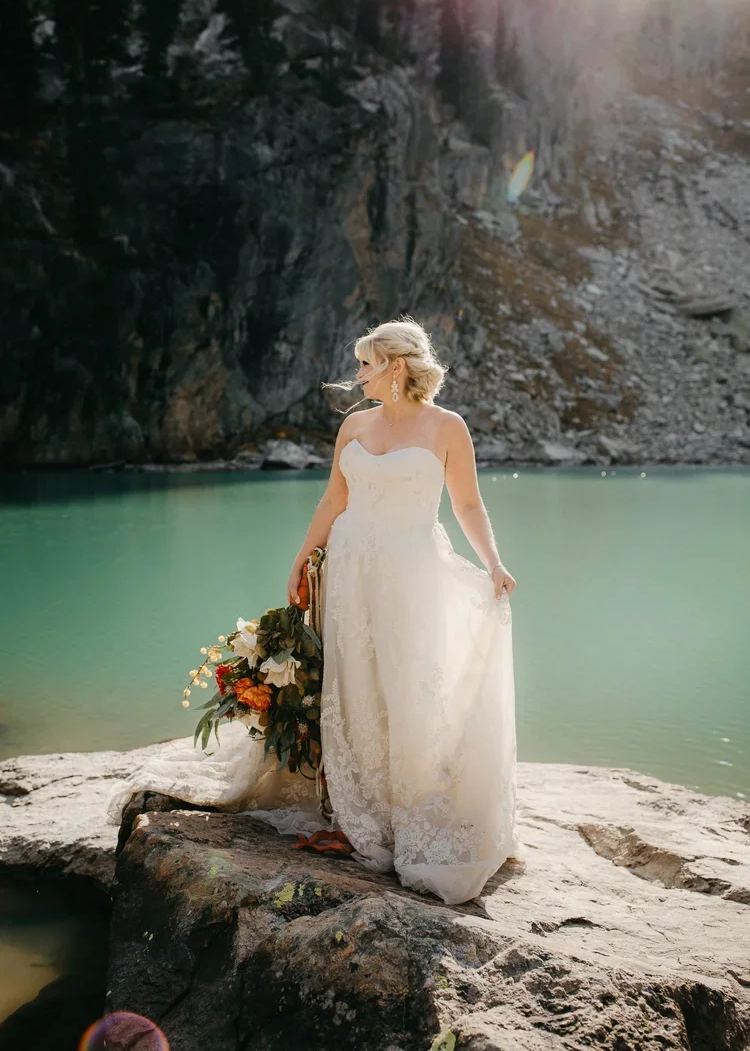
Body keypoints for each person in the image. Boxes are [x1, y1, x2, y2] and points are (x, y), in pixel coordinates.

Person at [107, 316, 524, 905]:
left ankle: (410, 806)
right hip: (349, 570)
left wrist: (494, 563)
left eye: (365, 364)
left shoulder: (447, 427)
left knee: (409, 684)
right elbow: (334, 497)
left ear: (395, 366)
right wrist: (303, 559)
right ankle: (357, 803)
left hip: (412, 574)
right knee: (352, 682)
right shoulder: (354, 426)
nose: (357, 374)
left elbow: (467, 503)